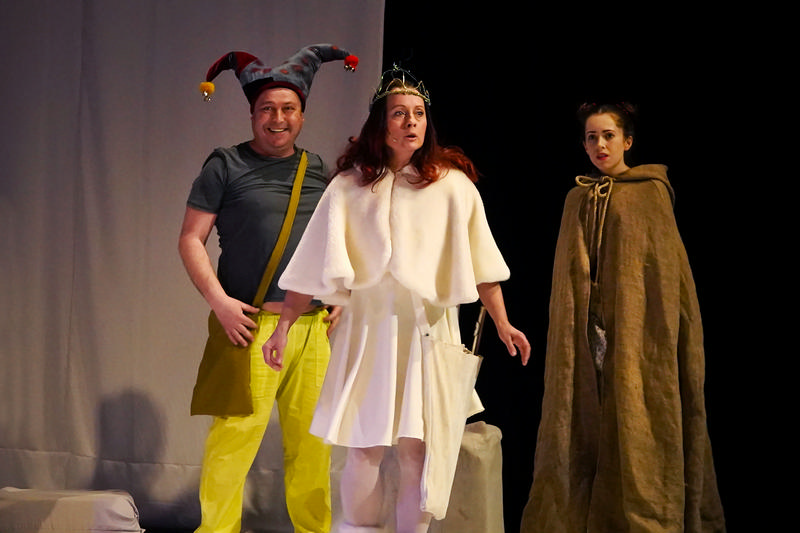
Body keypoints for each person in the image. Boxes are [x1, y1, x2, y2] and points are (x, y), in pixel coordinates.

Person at [261, 66, 531, 533]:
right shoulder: (349, 186)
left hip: (428, 331)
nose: (410, 122)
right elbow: (309, 265)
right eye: (399, 113)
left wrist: (503, 323)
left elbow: (484, 265)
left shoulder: (453, 186)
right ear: (380, 123)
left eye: (419, 114)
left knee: (418, 452)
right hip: (369, 328)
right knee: (363, 447)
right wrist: (283, 326)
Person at [520, 103, 726, 532]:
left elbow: (664, 275)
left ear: (627, 141)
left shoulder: (650, 194)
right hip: (587, 331)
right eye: (592, 137)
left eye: (609, 135)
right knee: (582, 418)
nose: (600, 145)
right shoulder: (576, 198)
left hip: (636, 332)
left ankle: (637, 513)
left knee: (636, 413)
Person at [178, 44, 358, 533]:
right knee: (233, 443)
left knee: (313, 447)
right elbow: (190, 239)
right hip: (250, 326)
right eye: (267, 109)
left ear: (302, 115)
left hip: (312, 329)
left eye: (288, 109)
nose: (278, 119)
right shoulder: (225, 165)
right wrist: (219, 303)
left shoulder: (318, 169)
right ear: (252, 114)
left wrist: (341, 296)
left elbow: (339, 239)